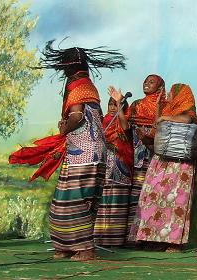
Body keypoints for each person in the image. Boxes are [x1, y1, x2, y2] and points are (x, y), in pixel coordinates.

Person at [10, 40, 126, 261]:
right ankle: (67, 246)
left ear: (70, 67)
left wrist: (65, 128)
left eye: (64, 66)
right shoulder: (85, 84)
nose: (62, 70)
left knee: (76, 200)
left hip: (85, 154)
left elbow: (77, 116)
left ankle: (84, 249)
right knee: (68, 201)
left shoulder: (79, 87)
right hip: (83, 153)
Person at [130, 83, 197, 252]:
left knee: (176, 202)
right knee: (153, 197)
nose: (168, 95)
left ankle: (173, 242)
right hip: (160, 161)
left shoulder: (183, 110)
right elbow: (157, 134)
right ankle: (150, 237)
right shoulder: (166, 110)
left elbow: (187, 119)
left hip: (180, 164)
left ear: (181, 95)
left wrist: (166, 118)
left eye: (172, 92)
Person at [108, 74, 166, 242]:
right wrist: (119, 104)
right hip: (138, 155)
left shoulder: (163, 105)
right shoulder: (136, 104)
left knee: (155, 195)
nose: (146, 84)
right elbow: (126, 126)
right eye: (145, 81)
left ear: (160, 86)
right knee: (137, 197)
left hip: (157, 154)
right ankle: (134, 237)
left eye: (151, 82)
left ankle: (152, 237)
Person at [94, 97, 133, 246]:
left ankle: (115, 240)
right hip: (105, 162)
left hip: (120, 165)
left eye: (115, 105)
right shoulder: (104, 121)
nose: (112, 107)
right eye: (110, 104)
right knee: (102, 199)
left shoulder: (125, 120)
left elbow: (125, 130)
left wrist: (119, 107)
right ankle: (99, 238)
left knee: (117, 200)